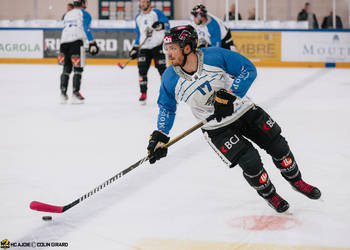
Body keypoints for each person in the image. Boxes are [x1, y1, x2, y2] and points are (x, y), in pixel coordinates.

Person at [146, 25, 321, 213]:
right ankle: (270, 194)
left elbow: (248, 69)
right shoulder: (170, 78)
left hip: (244, 110)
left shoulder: (214, 56)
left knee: (279, 147)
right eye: (167, 49)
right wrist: (161, 135)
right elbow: (167, 107)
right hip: (217, 128)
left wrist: (231, 95)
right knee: (251, 163)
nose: (168, 54)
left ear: (187, 47)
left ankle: (297, 181)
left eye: (172, 48)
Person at [129, 0, 169, 104]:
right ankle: (143, 93)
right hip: (144, 47)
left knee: (162, 71)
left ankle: (166, 94)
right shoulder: (138, 17)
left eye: (144, 1)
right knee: (142, 70)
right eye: (141, 2)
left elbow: (167, 25)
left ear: (149, 3)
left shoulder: (157, 13)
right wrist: (135, 47)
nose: (142, 4)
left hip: (157, 45)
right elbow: (139, 34)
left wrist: (161, 25)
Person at [59, 0, 99, 104]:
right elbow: (86, 28)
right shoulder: (84, 13)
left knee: (66, 68)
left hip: (63, 43)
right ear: (83, 3)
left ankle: (63, 94)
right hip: (76, 42)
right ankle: (75, 94)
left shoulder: (67, 14)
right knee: (78, 69)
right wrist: (92, 42)